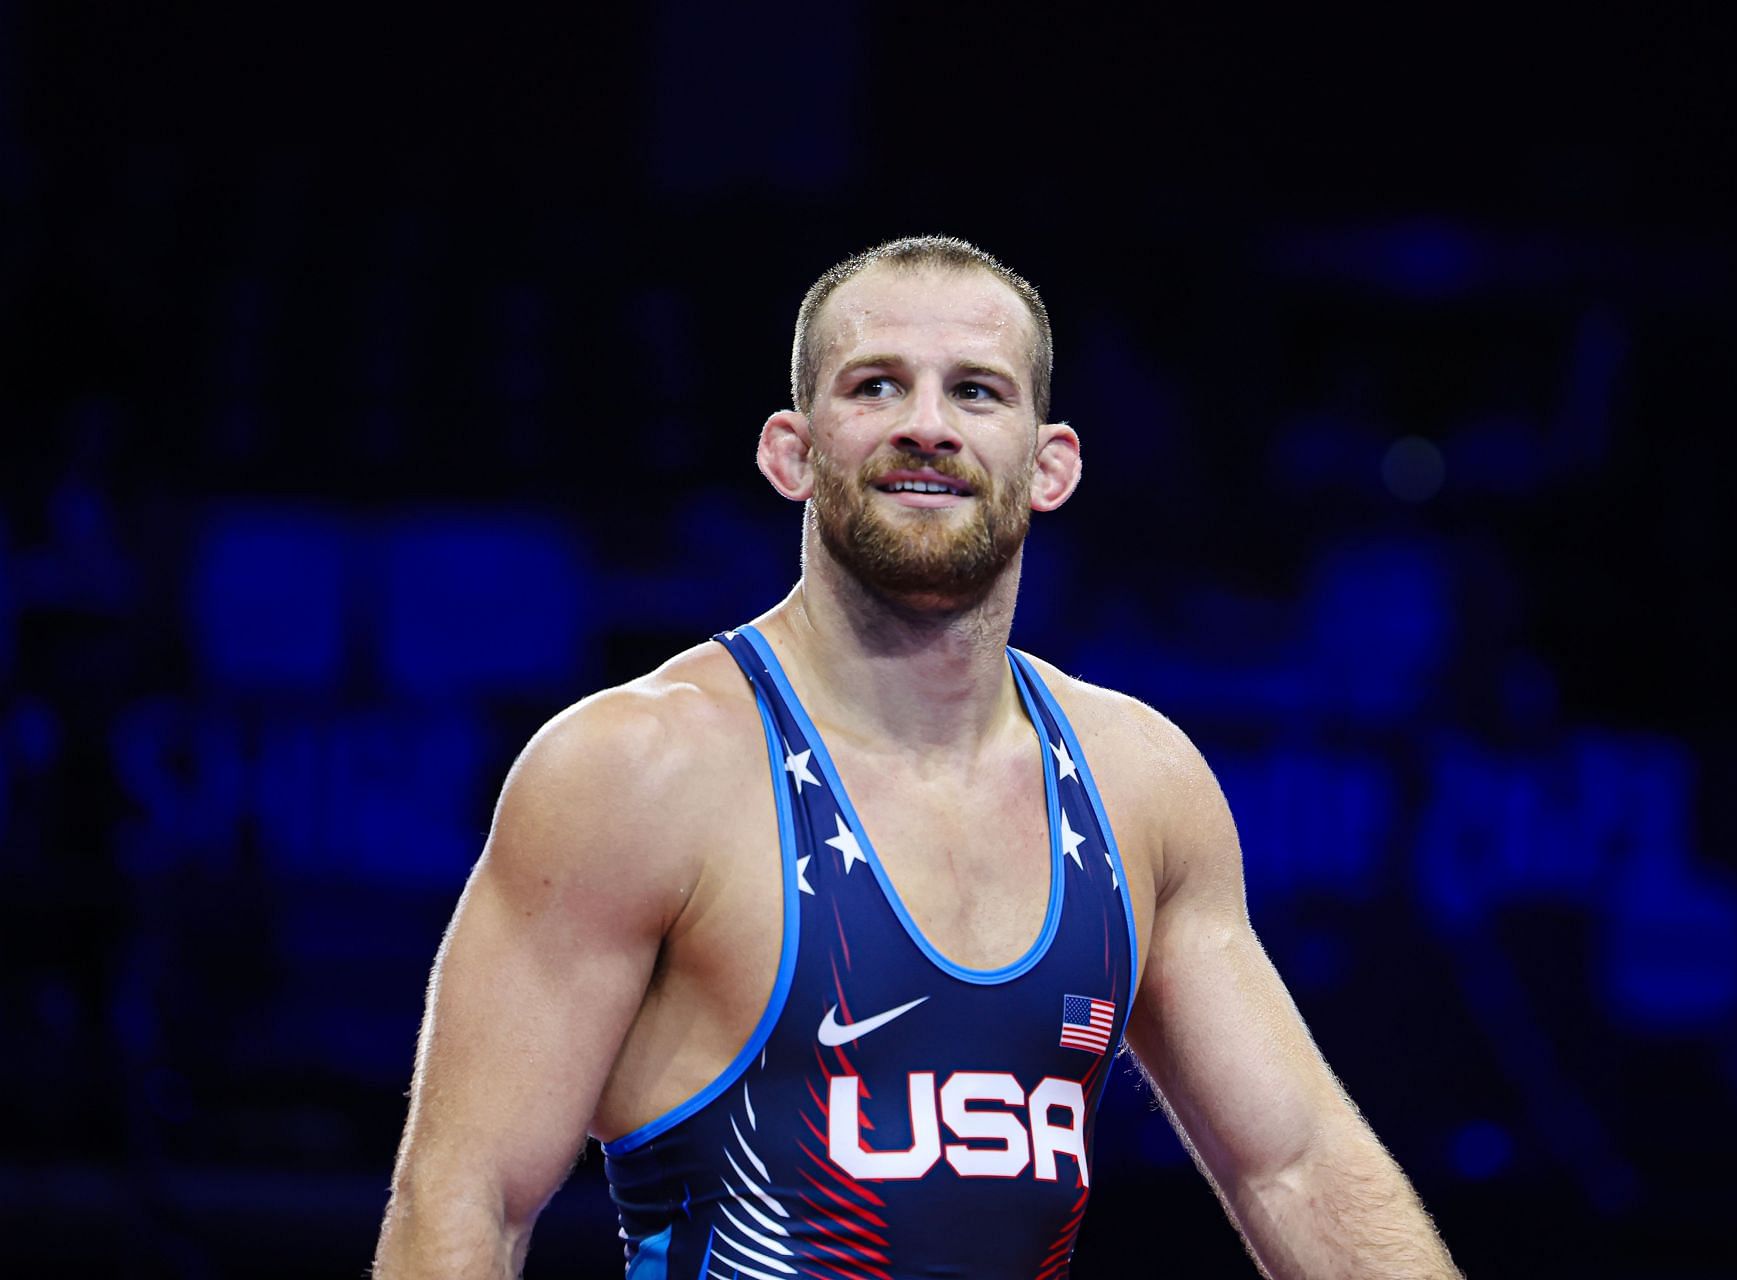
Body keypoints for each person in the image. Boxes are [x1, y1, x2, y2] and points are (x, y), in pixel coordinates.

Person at [372, 236, 1463, 1279]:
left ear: (1051, 465)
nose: (926, 425)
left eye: (976, 391)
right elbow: (462, 1192)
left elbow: (1298, 1158)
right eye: (876, 386)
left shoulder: (1140, 784)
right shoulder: (640, 768)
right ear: (791, 452)